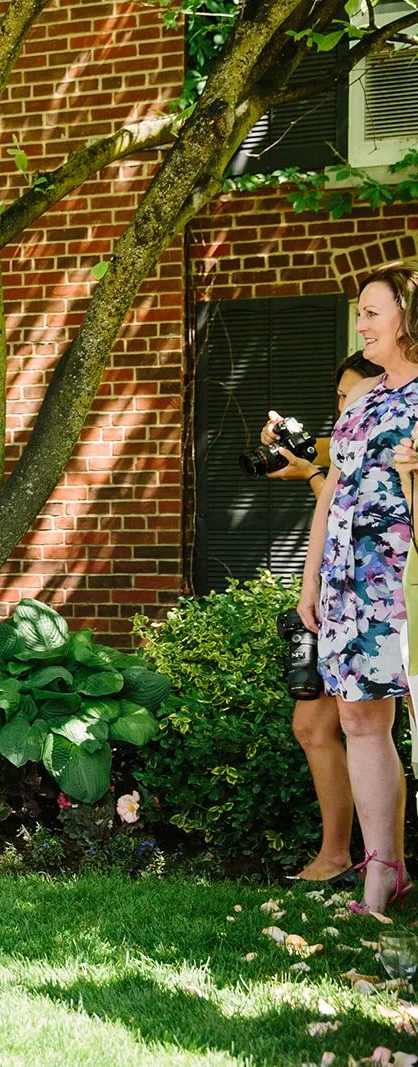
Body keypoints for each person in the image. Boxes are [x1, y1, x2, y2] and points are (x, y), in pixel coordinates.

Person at [301, 264, 418, 916]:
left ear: (407, 315)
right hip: (347, 582)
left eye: (373, 312)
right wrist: (312, 577)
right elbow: (333, 493)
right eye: (360, 313)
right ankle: (383, 872)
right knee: (357, 718)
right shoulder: (363, 396)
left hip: (404, 580)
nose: (362, 325)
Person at [262, 353, 380, 884]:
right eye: (338, 397)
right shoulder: (349, 436)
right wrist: (289, 448)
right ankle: (341, 856)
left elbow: (347, 513)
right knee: (313, 725)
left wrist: (310, 471)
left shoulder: (391, 434)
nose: (342, 406)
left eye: (348, 395)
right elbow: (321, 458)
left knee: (363, 730)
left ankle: (370, 861)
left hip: (367, 598)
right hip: (332, 598)